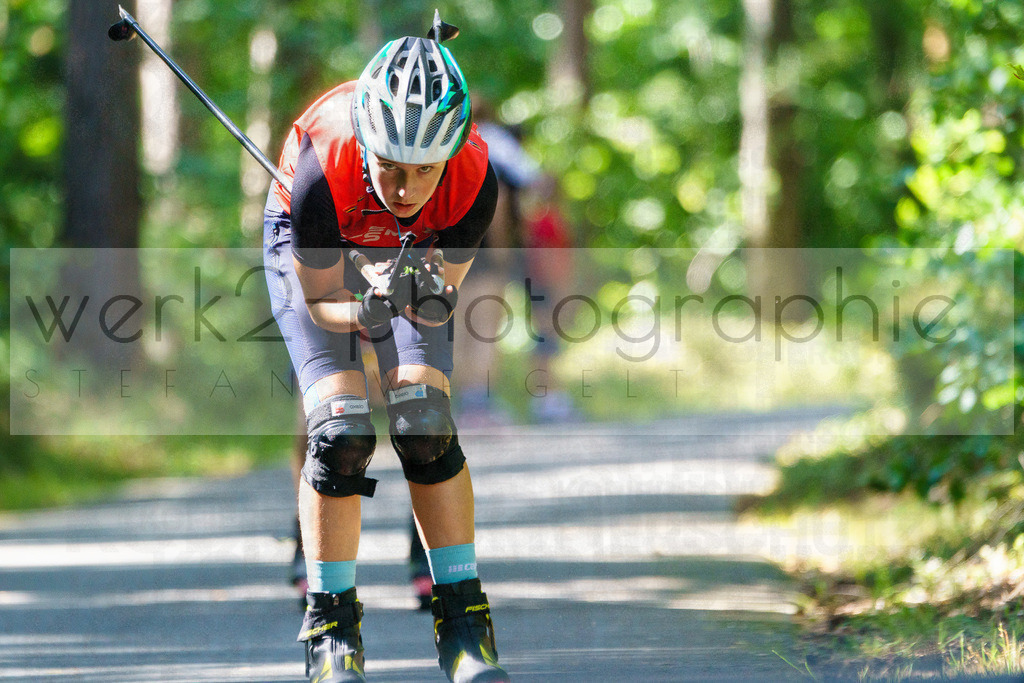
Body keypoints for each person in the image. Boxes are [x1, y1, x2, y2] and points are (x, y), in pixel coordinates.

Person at [262, 15, 509, 683]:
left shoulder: (475, 179)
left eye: (424, 171)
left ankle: (464, 624)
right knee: (340, 430)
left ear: (451, 156)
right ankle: (331, 628)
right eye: (390, 167)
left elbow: (438, 295)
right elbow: (321, 302)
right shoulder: (322, 161)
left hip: (406, 260)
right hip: (312, 247)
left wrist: (407, 287)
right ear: (367, 142)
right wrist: (365, 300)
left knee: (424, 418)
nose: (404, 188)